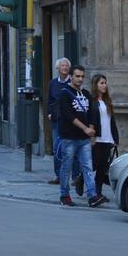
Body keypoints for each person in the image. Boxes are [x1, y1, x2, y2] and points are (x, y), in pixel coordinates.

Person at [56, 64, 105, 208]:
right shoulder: (65, 93)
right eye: (77, 76)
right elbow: (68, 115)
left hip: (84, 139)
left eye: (82, 76)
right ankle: (64, 195)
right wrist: (85, 129)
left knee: (88, 167)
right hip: (69, 137)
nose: (80, 79)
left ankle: (92, 196)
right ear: (71, 76)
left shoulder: (86, 94)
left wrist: (91, 130)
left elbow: (92, 113)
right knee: (67, 167)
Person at [90, 73, 119, 201]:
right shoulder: (92, 101)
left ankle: (98, 192)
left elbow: (111, 121)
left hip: (108, 138)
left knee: (102, 167)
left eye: (105, 83)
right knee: (94, 165)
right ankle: (81, 179)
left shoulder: (107, 101)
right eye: (101, 83)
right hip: (97, 138)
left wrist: (115, 138)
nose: (104, 85)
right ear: (95, 85)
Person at [48, 57, 76, 185]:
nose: (64, 67)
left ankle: (76, 177)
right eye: (62, 65)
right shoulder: (53, 83)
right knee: (57, 148)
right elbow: (50, 100)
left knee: (74, 148)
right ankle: (58, 176)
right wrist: (49, 112)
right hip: (56, 120)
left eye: (66, 65)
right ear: (57, 68)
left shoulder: (73, 83)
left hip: (71, 120)